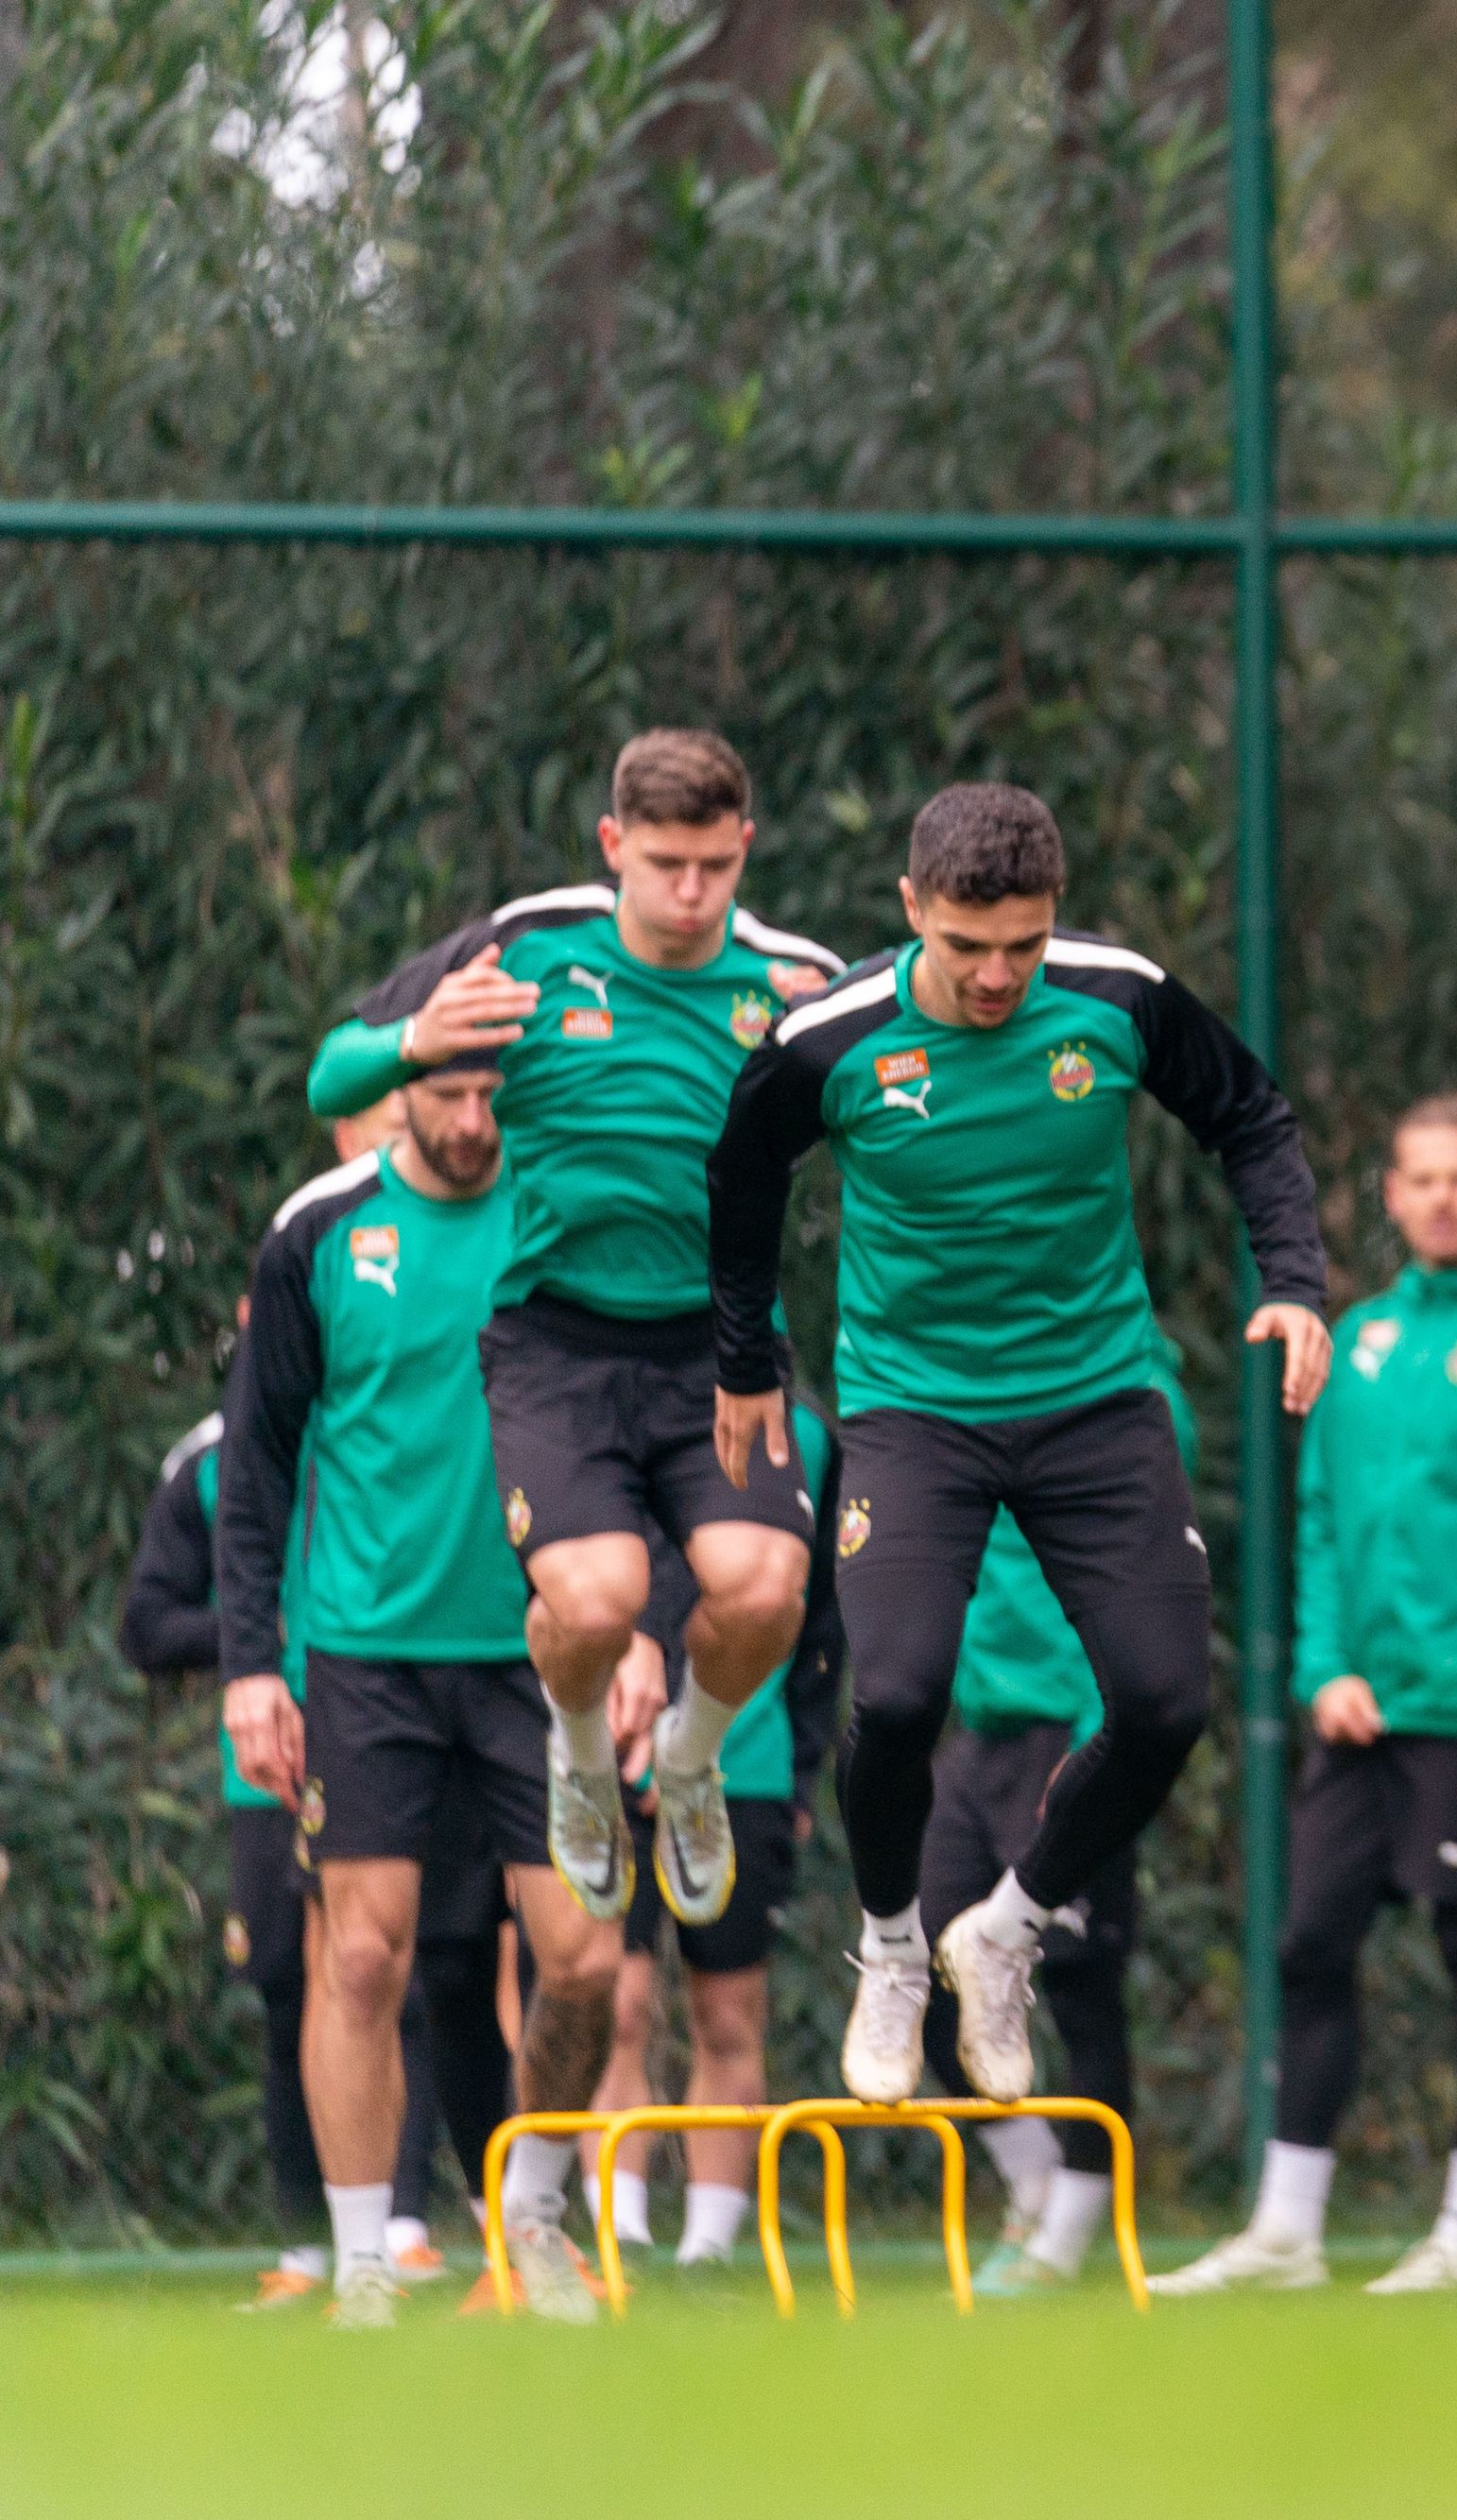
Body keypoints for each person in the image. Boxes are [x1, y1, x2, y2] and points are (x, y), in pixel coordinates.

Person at [704, 781, 1330, 2114]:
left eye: (1024, 945)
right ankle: (892, 1948)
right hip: (915, 1412)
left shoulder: (1117, 998)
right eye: (968, 945)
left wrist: (1294, 1282)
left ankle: (1006, 1928)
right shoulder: (830, 1040)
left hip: (1094, 1399)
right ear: (911, 908)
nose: (998, 975)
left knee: (1164, 1703)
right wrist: (747, 1358)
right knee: (898, 1695)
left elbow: (1250, 1117)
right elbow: (743, 1178)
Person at [306, 729, 846, 1950]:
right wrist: (414, 1041)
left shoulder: (797, 981)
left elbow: (919, 1103)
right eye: (664, 864)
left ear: (745, 847)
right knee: (597, 1606)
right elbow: (333, 1077)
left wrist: (842, 1062)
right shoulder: (531, 947)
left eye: (715, 866)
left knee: (765, 1588)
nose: (691, 893)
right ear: (614, 846)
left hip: (724, 1346)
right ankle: (582, 1753)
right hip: (557, 1344)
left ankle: (693, 1762)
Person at [1156, 1095, 1457, 2298]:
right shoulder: (1357, 1339)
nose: (1442, 1199)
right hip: (1359, 1717)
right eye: (1421, 1179)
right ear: (1393, 1195)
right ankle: (1286, 2233)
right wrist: (1325, 1671)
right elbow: (1320, 1522)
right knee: (1310, 1946)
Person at [215, 1057, 620, 2326]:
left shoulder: (566, 1212)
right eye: (445, 1094)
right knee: (359, 1957)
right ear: (400, 1089)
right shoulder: (322, 1230)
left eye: (492, 1093)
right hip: (366, 1656)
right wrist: (251, 1667)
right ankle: (363, 2267)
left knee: (585, 1960)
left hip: (540, 1653)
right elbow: (257, 1464)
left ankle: (531, 2223)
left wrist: (647, 1625)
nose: (470, 1120)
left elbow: (639, 1421)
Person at [119, 1288, 471, 2307]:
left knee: (391, 1973)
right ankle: (304, 2248)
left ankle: (402, 2228)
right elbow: (147, 1624)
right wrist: (254, 1642)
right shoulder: (209, 1461)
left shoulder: (393, 1427)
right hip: (269, 1767)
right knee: (288, 1989)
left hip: (395, 1743)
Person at [918, 1387, 1196, 2297]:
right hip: (980, 1737)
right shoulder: (961, 1381)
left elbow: (1150, 1587)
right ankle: (1033, 2181)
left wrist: (1097, 1736)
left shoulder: (1143, 1398)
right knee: (920, 1971)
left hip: (1077, 1732)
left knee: (1081, 1990)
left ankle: (1069, 2235)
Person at [589, 1399, 843, 2271]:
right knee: (617, 2005)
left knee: (729, 2015)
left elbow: (821, 1619)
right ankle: (618, 2237)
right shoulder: (601, 1406)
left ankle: (709, 2253)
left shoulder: (806, 1437)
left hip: (749, 1768)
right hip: (614, 1755)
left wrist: (801, 1768)